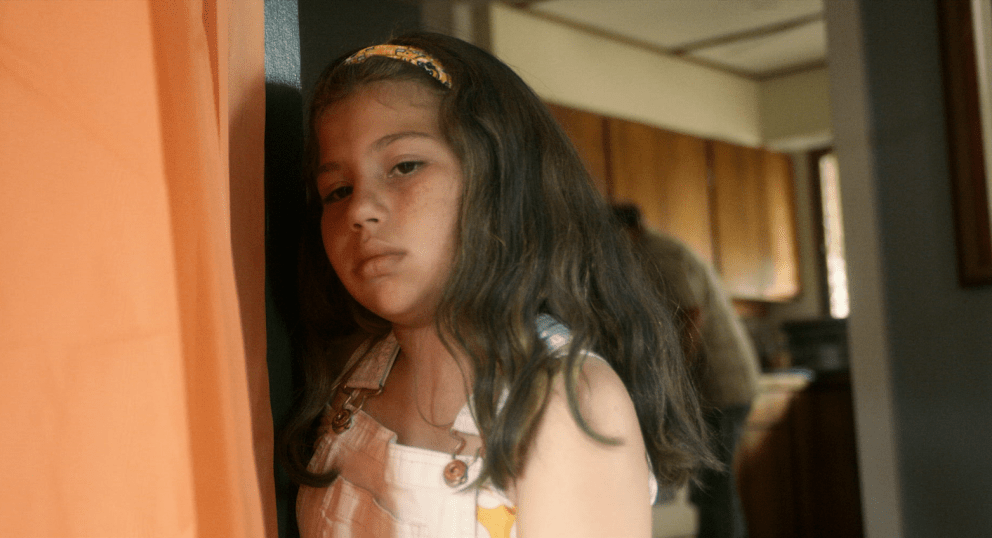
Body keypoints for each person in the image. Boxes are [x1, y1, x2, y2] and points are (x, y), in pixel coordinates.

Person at [280, 32, 716, 538]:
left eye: (405, 166)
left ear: (501, 180)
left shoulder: (565, 403)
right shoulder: (353, 377)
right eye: (338, 190)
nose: (359, 209)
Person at [613, 204, 760, 538]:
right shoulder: (652, 252)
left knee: (714, 490)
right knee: (711, 489)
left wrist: (671, 378)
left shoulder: (658, 253)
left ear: (626, 231)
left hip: (720, 388)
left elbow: (691, 315)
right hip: (719, 389)